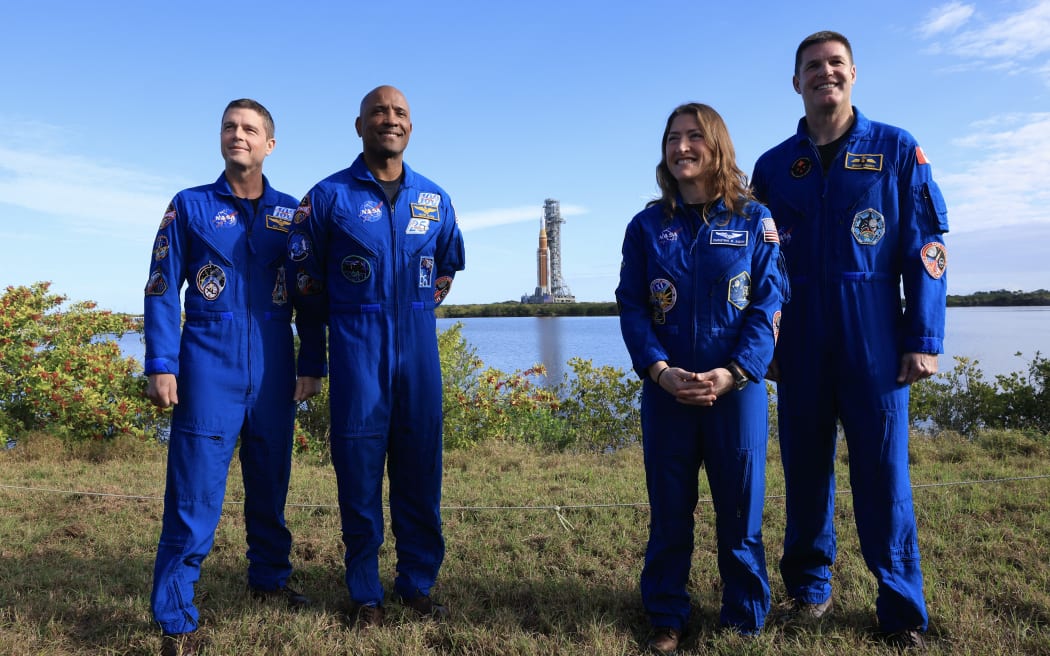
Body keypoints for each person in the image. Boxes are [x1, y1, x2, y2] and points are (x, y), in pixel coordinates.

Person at [751, 31, 949, 649]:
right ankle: (809, 592)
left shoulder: (896, 149)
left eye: (835, 64)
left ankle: (900, 609)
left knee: (883, 475)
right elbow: (757, 268)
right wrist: (765, 345)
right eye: (812, 66)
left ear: (854, 74)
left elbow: (928, 247)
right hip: (801, 334)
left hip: (874, 333)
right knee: (805, 470)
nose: (824, 74)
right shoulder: (774, 166)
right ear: (796, 82)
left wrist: (922, 336)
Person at [143, 99, 323, 656]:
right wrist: (161, 363)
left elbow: (309, 296)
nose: (237, 135)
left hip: (273, 366)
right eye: (229, 127)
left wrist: (312, 362)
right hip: (207, 365)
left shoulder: (292, 215)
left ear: (270, 144)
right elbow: (160, 287)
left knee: (270, 486)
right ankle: (176, 616)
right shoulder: (190, 206)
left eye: (250, 129)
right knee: (194, 495)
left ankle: (269, 578)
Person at [288, 85, 465, 629]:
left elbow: (446, 267)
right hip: (356, 355)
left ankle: (417, 584)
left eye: (401, 113)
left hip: (418, 356)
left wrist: (412, 309)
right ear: (359, 125)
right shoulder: (327, 198)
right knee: (359, 480)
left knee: (420, 476)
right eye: (379, 112)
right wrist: (315, 360)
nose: (391, 120)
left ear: (410, 126)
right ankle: (365, 592)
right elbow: (303, 284)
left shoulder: (434, 198)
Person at [616, 103, 789, 653]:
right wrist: (660, 372)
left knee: (740, 512)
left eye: (694, 137)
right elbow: (632, 308)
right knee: (669, 511)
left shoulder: (754, 219)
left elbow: (769, 302)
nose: (682, 147)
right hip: (667, 393)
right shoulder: (646, 226)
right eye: (673, 138)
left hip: (735, 391)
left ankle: (743, 615)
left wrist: (735, 372)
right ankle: (667, 614)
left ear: (717, 146)